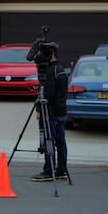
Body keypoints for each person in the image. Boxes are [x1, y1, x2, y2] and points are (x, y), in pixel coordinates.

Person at [31, 45, 68, 182]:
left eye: (44, 54)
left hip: (50, 114)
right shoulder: (62, 70)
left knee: (49, 141)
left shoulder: (51, 72)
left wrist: (39, 109)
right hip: (62, 113)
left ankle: (48, 171)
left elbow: (48, 95)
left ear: (51, 54)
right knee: (61, 143)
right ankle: (61, 170)